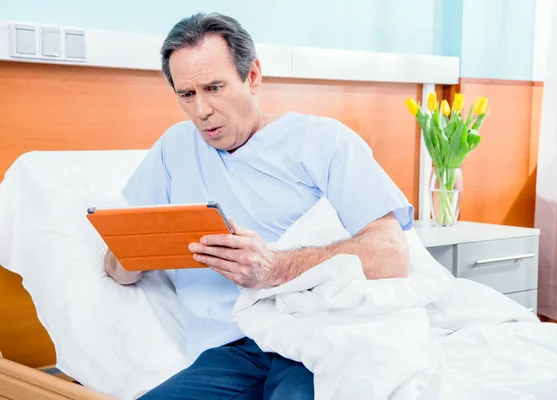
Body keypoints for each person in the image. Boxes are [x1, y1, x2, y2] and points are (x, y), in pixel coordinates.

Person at [104, 11, 414, 400]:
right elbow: (121, 261)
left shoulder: (324, 142)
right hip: (229, 351)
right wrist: (125, 256)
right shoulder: (173, 148)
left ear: (252, 77)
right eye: (187, 94)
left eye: (214, 88)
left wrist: (275, 267)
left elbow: (392, 256)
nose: (201, 110)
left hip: (314, 332)